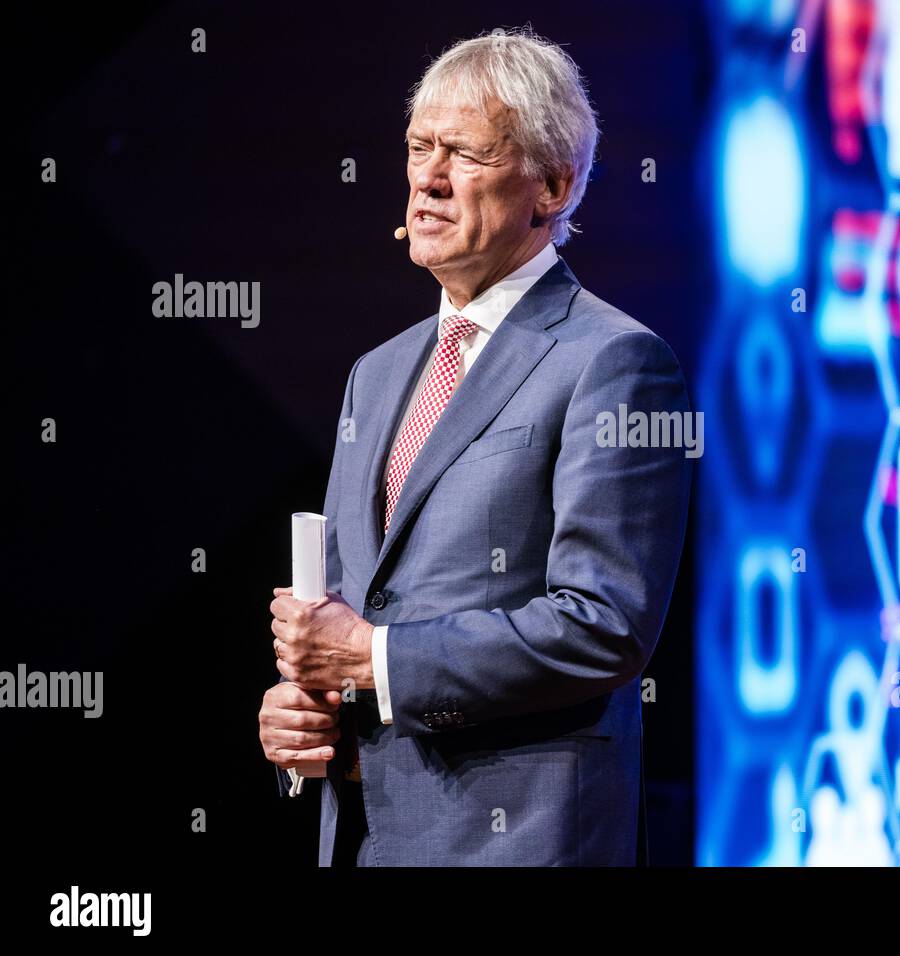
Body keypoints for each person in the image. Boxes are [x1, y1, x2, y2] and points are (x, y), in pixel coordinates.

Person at [256, 27, 693, 866]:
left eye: (465, 152)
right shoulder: (376, 375)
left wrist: (375, 657)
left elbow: (604, 625)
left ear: (553, 186)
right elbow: (354, 615)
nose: (428, 176)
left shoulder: (613, 361)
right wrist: (306, 707)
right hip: (368, 837)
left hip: (520, 843)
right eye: (420, 146)